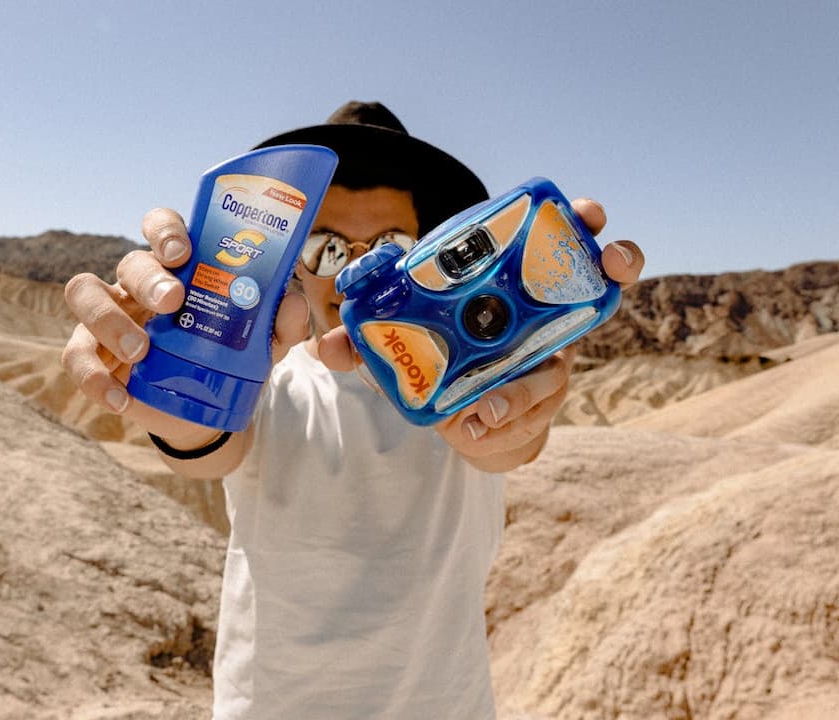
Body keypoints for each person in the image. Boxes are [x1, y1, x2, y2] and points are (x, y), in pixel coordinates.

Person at [61, 101, 644, 719]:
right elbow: (202, 439)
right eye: (325, 248)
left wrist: (505, 414)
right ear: (291, 259)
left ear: (436, 247)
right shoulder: (259, 379)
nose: (354, 271)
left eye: (391, 245)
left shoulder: (471, 383)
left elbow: (506, 442)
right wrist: (164, 360)